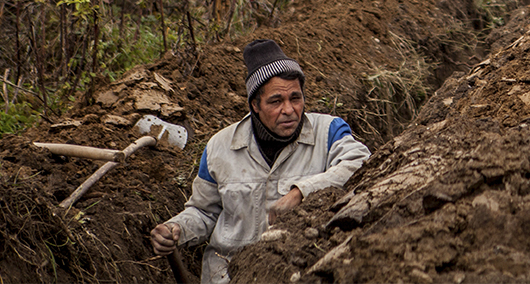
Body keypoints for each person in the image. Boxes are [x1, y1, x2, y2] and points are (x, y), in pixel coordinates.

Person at [149, 40, 370, 283]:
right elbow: (204, 212)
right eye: (276, 101)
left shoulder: (328, 132)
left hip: (300, 273)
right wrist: (177, 229)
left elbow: (361, 162)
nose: (289, 109)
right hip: (229, 275)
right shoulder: (219, 147)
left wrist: (302, 192)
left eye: (295, 98)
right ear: (255, 105)